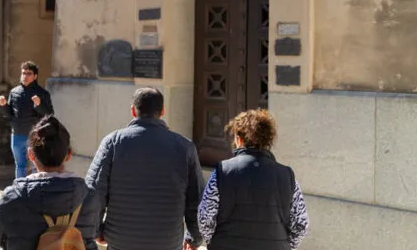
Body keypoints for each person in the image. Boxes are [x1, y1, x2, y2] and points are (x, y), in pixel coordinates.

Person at [85, 87, 204, 250]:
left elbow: (94, 191)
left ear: (133, 111)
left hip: (121, 241)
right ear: (162, 111)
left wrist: (96, 230)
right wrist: (194, 238)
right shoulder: (185, 147)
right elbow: (196, 199)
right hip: (167, 242)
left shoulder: (113, 142)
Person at [198, 109, 310, 250]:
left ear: (239, 139)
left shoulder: (222, 171)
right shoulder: (287, 175)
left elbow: (204, 218)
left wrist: (214, 242)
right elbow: (301, 224)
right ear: (267, 141)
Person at [0, 115, 98, 250]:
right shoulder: (89, 197)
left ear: (31, 155)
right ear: (69, 155)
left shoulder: (13, 196)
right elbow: (92, 235)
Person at [0, 61, 54, 179]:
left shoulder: (42, 93)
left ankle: (34, 188)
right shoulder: (14, 92)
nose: (25, 76)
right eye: (23, 73)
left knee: (35, 166)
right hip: (17, 135)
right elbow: (9, 114)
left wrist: (39, 105)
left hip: (34, 136)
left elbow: (49, 114)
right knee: (20, 165)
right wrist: (3, 106)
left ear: (35, 76)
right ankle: (20, 187)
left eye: (29, 73)